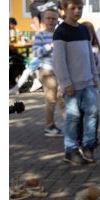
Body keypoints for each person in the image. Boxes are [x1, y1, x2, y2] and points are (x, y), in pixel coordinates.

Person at [53, 0, 100, 165]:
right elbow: (59, 61)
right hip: (72, 85)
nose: (77, 11)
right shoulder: (61, 32)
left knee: (92, 114)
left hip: (88, 82)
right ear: (64, 10)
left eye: (80, 8)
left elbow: (89, 55)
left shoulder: (83, 30)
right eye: (72, 8)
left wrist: (95, 77)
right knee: (73, 118)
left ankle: (88, 146)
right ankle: (70, 149)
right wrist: (66, 83)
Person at [32, 8, 65, 137]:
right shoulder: (40, 35)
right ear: (43, 20)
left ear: (58, 20)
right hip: (47, 70)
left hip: (60, 70)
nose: (51, 21)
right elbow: (35, 53)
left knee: (63, 99)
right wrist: (49, 46)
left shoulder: (61, 33)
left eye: (54, 18)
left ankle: (70, 126)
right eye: (48, 18)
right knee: (51, 100)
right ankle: (49, 126)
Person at [77, 21, 100, 148]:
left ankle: (92, 137)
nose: (88, 36)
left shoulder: (96, 49)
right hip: (79, 85)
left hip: (93, 86)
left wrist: (96, 61)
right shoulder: (76, 48)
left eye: (90, 34)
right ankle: (79, 137)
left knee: (93, 112)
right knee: (78, 113)